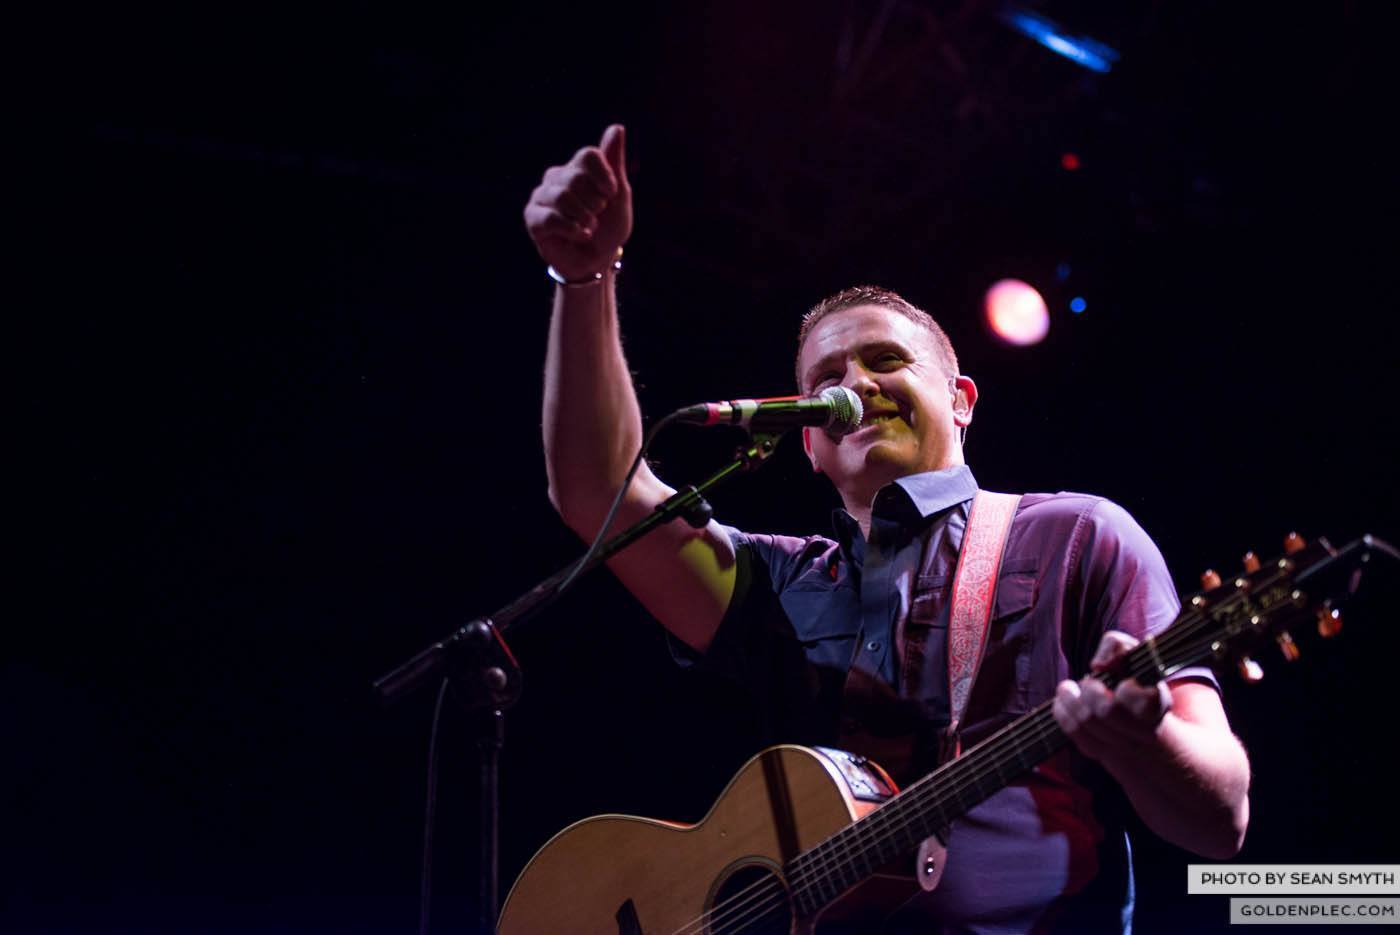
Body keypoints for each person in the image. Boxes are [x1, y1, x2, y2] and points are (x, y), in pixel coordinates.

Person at [525, 124, 1250, 932]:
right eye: (826, 379)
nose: (855, 384)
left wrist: (1146, 738)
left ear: (963, 401)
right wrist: (583, 275)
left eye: (885, 361)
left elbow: (1220, 820)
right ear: (809, 442)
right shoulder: (780, 580)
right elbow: (597, 493)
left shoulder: (1078, 537)